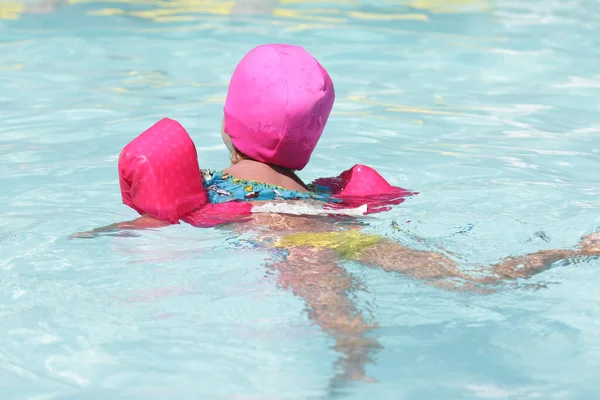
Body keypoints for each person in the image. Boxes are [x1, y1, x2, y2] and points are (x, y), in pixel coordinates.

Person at [70, 44, 600, 388]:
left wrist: (92, 235)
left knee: (338, 318)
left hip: (280, 233)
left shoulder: (203, 187)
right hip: (328, 228)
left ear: (227, 128)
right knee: (470, 282)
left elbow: (151, 228)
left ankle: (355, 361)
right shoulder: (325, 195)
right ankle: (576, 250)